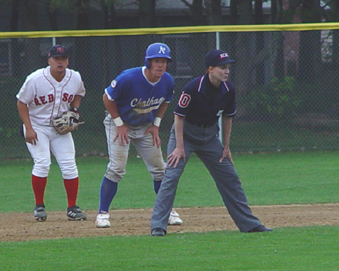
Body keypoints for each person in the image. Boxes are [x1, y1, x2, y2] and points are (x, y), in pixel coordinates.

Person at [150, 49, 272, 236]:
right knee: (171, 176)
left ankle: (249, 224)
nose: (227, 71)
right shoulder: (193, 87)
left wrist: (226, 148)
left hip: (209, 138)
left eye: (228, 67)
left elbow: (228, 118)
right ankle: (158, 226)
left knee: (230, 178)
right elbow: (178, 117)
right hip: (185, 135)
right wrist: (180, 147)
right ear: (210, 69)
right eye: (222, 67)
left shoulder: (228, 89)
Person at [95, 42, 183, 228]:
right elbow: (107, 98)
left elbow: (165, 102)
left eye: (164, 61)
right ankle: (102, 213)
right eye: (156, 61)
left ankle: (167, 211)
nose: (160, 65)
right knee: (117, 168)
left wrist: (156, 125)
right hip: (119, 123)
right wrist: (119, 124)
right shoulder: (129, 78)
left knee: (160, 170)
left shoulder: (167, 80)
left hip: (145, 126)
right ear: (148, 62)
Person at [16, 45, 87, 222]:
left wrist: (75, 110)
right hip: (37, 126)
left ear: (68, 61)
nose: (60, 62)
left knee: (69, 165)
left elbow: (79, 94)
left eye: (63, 58)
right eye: (56, 58)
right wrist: (29, 128)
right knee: (42, 163)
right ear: (49, 61)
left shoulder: (75, 77)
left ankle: (72, 208)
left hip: (59, 128)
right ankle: (39, 206)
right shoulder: (35, 79)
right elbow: (21, 103)